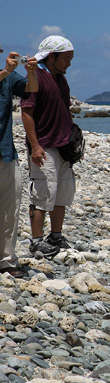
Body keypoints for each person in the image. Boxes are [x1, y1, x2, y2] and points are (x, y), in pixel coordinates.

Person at [20, 35, 75, 257]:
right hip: (44, 146)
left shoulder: (61, 79)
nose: (69, 63)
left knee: (61, 194)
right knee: (42, 195)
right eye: (66, 59)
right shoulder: (36, 78)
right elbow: (27, 111)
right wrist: (35, 145)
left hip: (63, 147)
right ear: (51, 57)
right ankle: (36, 241)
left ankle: (56, 236)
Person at [0, 42, 38, 278]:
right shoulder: (4, 75)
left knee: (10, 209)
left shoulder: (9, 79)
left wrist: (31, 72)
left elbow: (31, 90)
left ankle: (6, 260)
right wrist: (4, 72)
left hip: (5, 152)